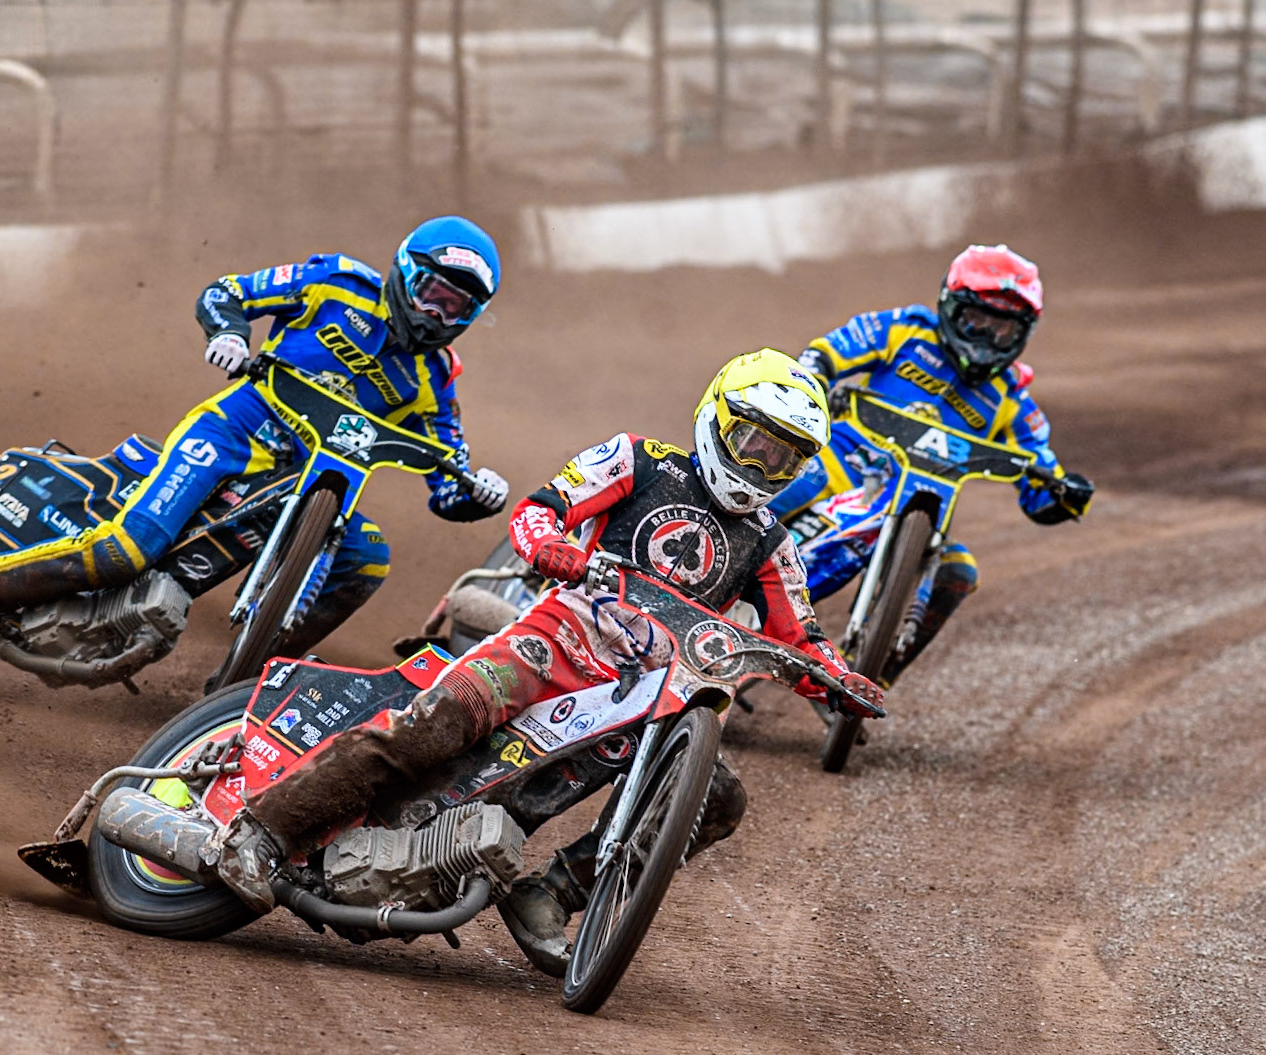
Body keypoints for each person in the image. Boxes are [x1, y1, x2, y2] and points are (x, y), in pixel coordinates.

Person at [215, 348, 886, 976]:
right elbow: (539, 512)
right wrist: (560, 551)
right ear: (717, 418)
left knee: (718, 794)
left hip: (647, 694)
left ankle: (553, 892)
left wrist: (839, 679)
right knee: (442, 720)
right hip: (553, 643)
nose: (762, 466)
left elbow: (801, 635)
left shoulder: (770, 541)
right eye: (754, 443)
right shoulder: (640, 459)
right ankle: (263, 832)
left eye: (784, 459)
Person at [0, 216, 511, 658]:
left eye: (457, 308)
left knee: (369, 559)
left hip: (310, 486)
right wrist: (229, 334)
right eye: (434, 294)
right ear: (408, 273)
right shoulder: (336, 284)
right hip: (233, 433)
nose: (439, 315)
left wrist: (477, 492)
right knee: (128, 550)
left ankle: (249, 689)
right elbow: (228, 293)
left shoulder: (434, 381)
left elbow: (446, 475)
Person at [770, 244, 1095, 686]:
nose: (984, 337)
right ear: (949, 304)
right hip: (841, 466)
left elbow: (1040, 479)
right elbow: (828, 352)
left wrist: (1064, 492)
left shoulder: (1012, 399)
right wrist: (817, 383)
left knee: (958, 572)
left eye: (1001, 328)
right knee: (788, 484)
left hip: (920, 514)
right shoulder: (905, 329)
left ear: (1023, 333)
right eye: (976, 320)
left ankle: (870, 676)